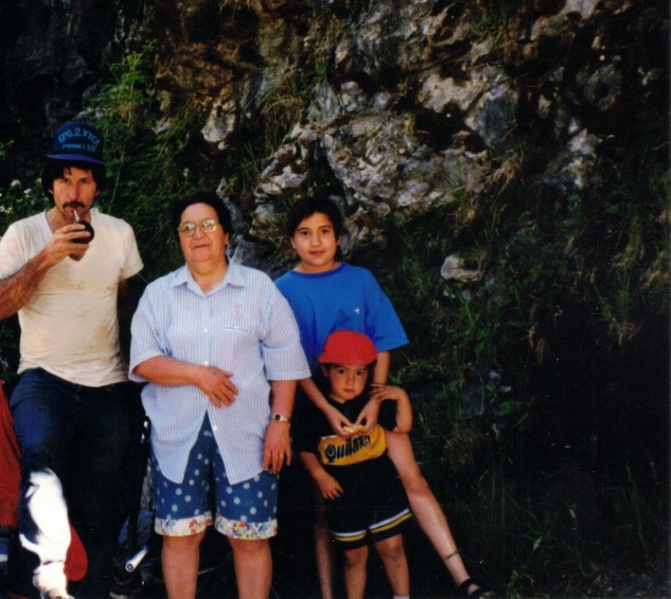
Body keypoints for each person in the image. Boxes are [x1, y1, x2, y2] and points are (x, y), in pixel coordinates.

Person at [274, 195, 484, 598]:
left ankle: (463, 578)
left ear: (338, 237)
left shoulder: (361, 280)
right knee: (324, 501)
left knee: (412, 478)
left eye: (324, 232)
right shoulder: (282, 289)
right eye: (305, 233)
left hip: (367, 394)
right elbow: (288, 360)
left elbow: (382, 342)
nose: (316, 242)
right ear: (291, 240)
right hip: (316, 403)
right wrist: (324, 409)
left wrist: (374, 401)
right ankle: (328, 592)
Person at [0, 120, 143, 599]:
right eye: (65, 179)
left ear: (96, 187)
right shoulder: (23, 234)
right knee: (42, 458)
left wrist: (140, 381)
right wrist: (45, 259)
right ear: (50, 184)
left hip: (108, 384)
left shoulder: (118, 235)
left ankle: (83, 590)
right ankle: (45, 570)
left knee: (101, 506)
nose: (75, 191)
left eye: (85, 180)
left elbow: (129, 310)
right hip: (44, 378)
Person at [129, 191, 311, 599]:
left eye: (208, 224)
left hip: (248, 435)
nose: (198, 234)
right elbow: (142, 361)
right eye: (187, 228)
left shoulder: (258, 288)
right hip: (177, 436)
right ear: (179, 239)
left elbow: (285, 357)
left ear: (226, 234)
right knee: (180, 537)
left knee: (250, 538)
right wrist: (198, 375)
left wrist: (280, 424)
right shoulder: (159, 295)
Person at [296, 330, 413, 599]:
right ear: (325, 370)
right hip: (343, 495)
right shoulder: (318, 409)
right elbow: (303, 447)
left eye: (359, 373)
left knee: (392, 546)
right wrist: (320, 475)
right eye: (341, 371)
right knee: (353, 556)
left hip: (381, 487)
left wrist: (401, 397)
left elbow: (403, 426)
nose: (351, 381)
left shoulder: (371, 403)